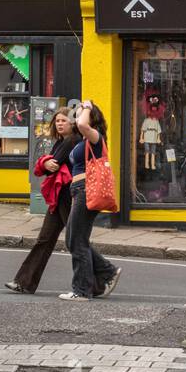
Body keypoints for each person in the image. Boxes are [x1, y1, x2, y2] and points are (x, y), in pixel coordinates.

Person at [7, 107, 76, 294]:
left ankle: (103, 275)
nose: (60, 123)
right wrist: (45, 162)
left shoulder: (71, 141)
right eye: (58, 121)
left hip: (67, 197)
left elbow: (52, 165)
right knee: (44, 239)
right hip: (58, 197)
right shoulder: (61, 142)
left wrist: (45, 162)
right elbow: (47, 165)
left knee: (76, 240)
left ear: (73, 123)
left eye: (64, 120)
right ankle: (24, 282)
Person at [60, 100, 120, 301]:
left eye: (81, 114)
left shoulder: (95, 137)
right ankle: (106, 271)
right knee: (73, 240)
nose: (77, 118)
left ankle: (82, 290)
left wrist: (87, 106)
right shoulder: (84, 141)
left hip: (86, 191)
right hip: (79, 190)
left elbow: (83, 124)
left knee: (76, 241)